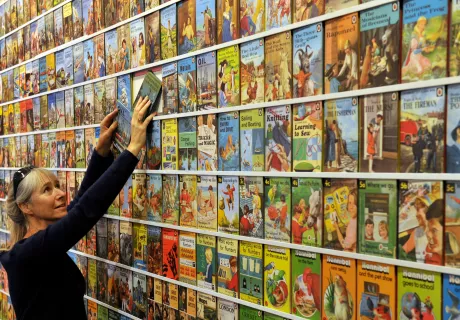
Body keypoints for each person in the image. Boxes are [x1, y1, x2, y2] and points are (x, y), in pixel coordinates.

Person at [0, 96, 156, 319]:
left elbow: (80, 204)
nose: (61, 193)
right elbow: (83, 213)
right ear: (26, 206)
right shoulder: (27, 254)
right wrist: (131, 151)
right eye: (47, 190)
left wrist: (101, 154)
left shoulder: (42, 245)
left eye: (56, 186)